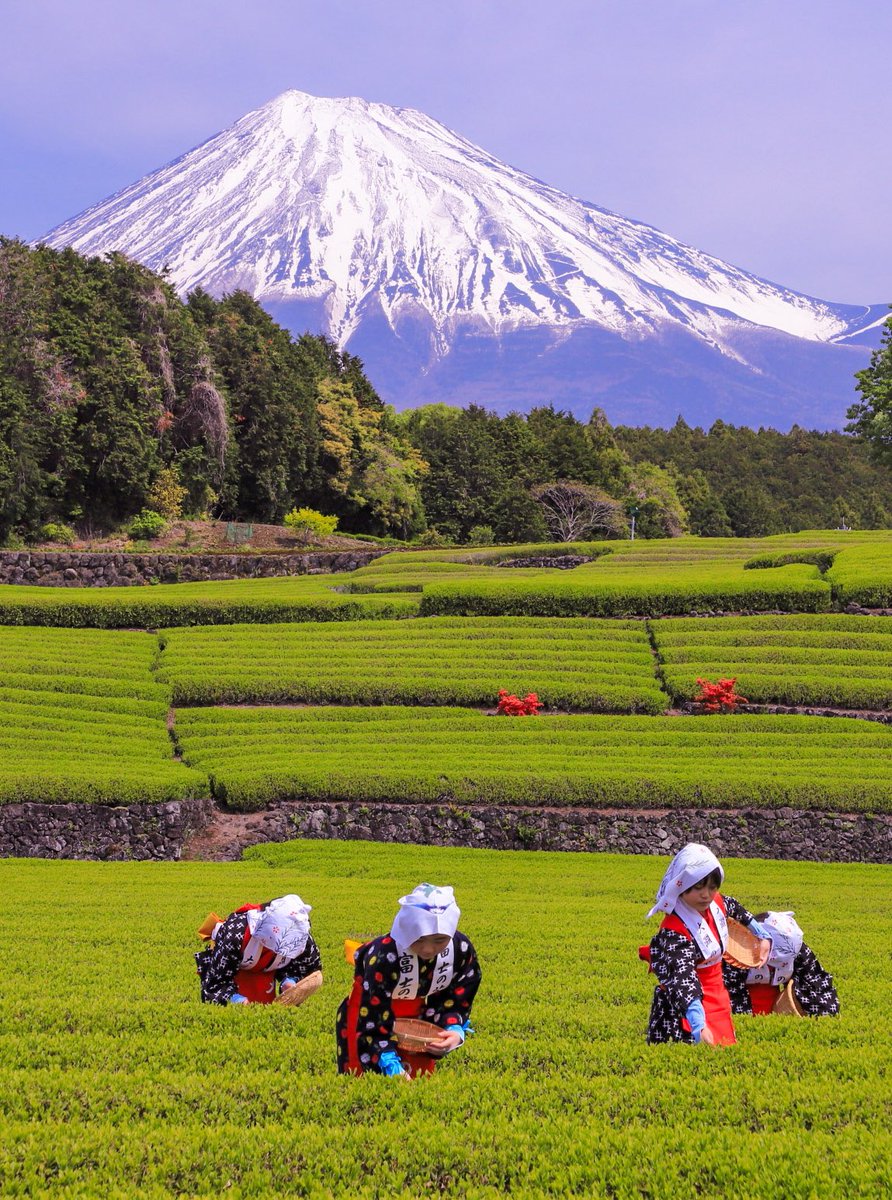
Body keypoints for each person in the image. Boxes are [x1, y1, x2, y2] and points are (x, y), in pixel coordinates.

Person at [336, 883, 481, 1077]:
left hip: (416, 1012)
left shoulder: (460, 948)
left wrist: (453, 1028)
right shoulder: (384, 956)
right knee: (364, 1077)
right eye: (419, 939)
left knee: (416, 1077)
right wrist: (386, 1059)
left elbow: (460, 990)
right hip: (369, 1009)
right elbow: (372, 1012)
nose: (428, 950)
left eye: (439, 940)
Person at [642, 843, 769, 1046]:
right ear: (681, 886)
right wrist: (698, 1023)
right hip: (686, 1003)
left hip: (717, 993)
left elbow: (733, 906)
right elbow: (683, 978)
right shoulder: (674, 930)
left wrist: (762, 934)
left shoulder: (715, 903)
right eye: (698, 887)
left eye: (712, 887)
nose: (706, 895)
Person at [196, 894, 322, 1004]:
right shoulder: (234, 935)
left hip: (267, 973)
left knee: (264, 1008)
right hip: (234, 970)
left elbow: (310, 969)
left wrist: (291, 980)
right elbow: (215, 981)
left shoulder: (299, 935)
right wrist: (233, 998)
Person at [722, 910, 839, 1017]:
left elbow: (819, 984)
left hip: (775, 1002)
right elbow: (731, 997)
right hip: (745, 998)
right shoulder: (736, 952)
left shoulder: (795, 948)